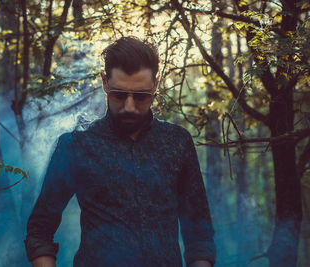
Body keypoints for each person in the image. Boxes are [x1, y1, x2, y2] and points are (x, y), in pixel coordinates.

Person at [25, 36, 216, 267]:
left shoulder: (177, 142)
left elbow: (200, 235)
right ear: (105, 83)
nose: (129, 106)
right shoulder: (76, 144)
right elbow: (40, 230)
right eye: (119, 94)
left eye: (141, 96)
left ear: (155, 85)